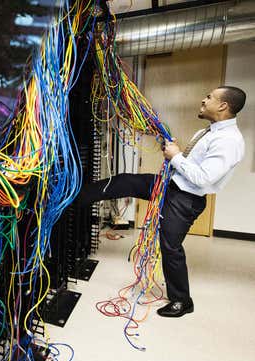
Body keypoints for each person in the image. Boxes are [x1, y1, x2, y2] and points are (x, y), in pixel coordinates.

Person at [79, 86, 246, 318]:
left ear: (223, 106)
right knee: (124, 181)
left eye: (209, 97)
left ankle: (182, 301)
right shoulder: (207, 132)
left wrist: (176, 156)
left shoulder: (229, 140)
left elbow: (204, 177)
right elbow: (189, 165)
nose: (203, 99)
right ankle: (71, 198)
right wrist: (172, 153)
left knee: (170, 248)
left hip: (186, 198)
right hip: (170, 185)